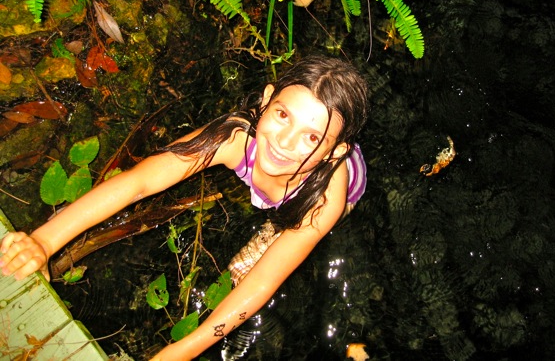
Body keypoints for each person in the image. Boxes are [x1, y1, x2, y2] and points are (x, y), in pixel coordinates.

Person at [0, 55, 369, 360]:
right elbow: (138, 183)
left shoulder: (326, 200)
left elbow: (263, 282)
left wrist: (180, 352)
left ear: (333, 151)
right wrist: (44, 241)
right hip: (285, 174)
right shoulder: (234, 138)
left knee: (258, 259)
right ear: (266, 100)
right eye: (283, 115)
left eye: (311, 136)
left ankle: (277, 226)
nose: (285, 142)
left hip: (314, 190)